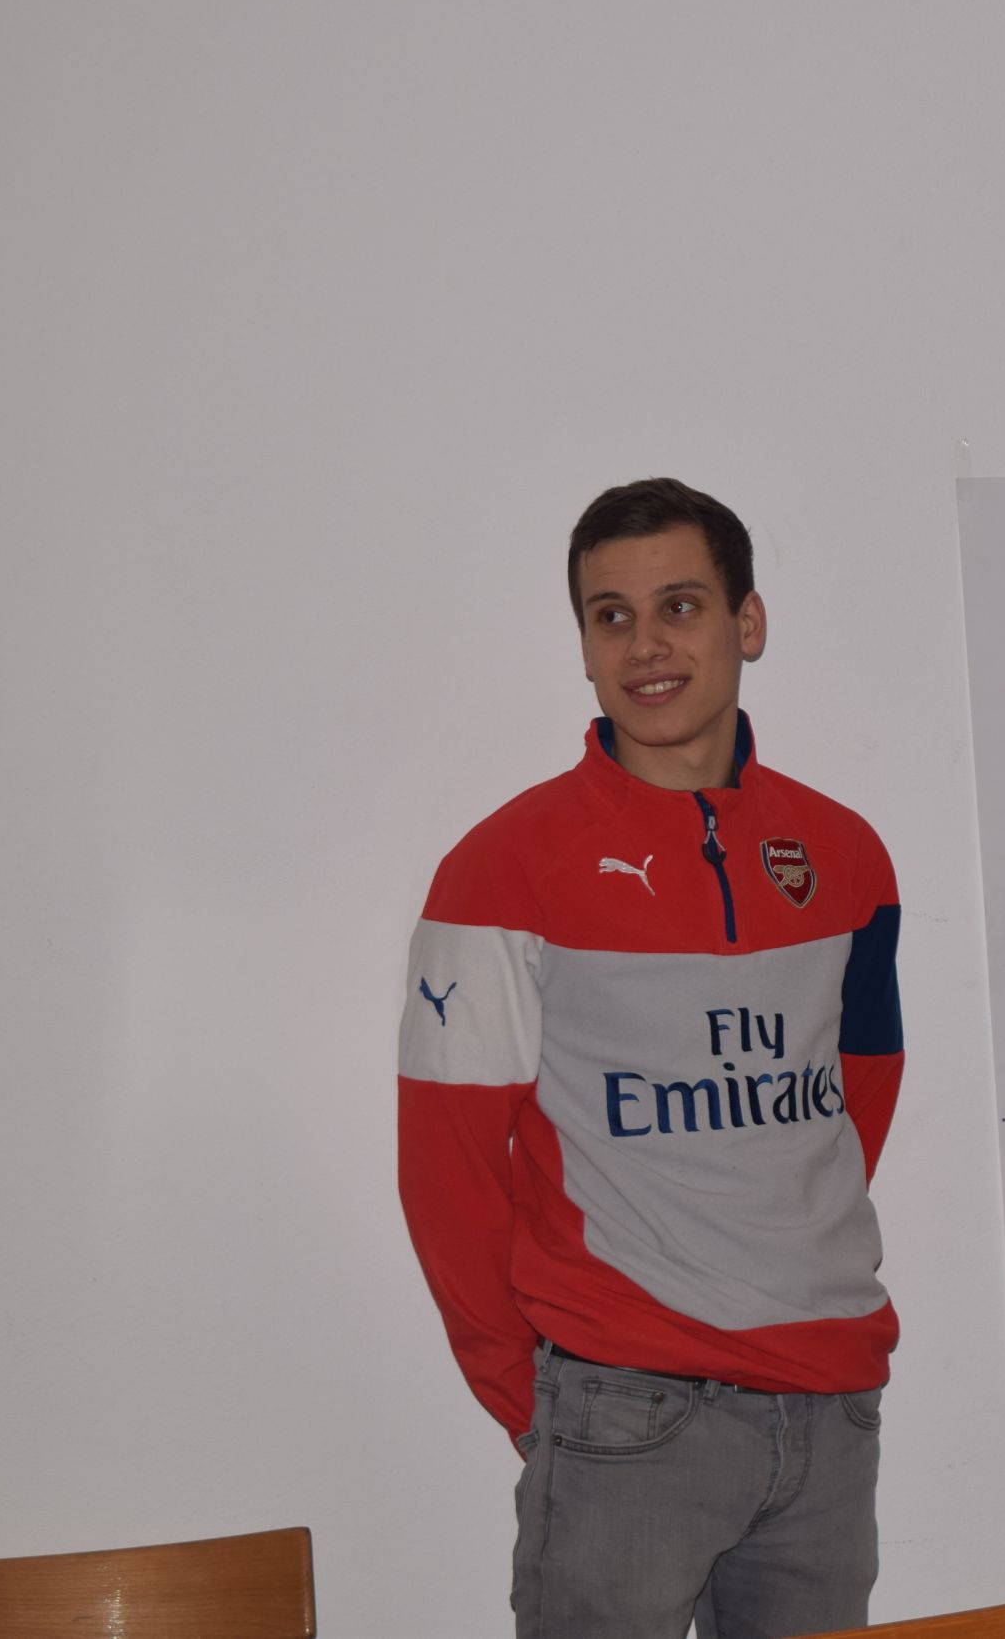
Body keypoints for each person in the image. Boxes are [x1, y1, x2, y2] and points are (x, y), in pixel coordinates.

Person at [398, 478, 906, 1639]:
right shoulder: (501, 868)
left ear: (747, 621)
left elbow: (855, 1096)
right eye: (610, 616)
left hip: (831, 1405)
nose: (645, 645)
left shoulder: (846, 854)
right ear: (583, 644)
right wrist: (531, 1395)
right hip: (621, 1410)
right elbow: (447, 1165)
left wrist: (775, 1242)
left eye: (679, 605)